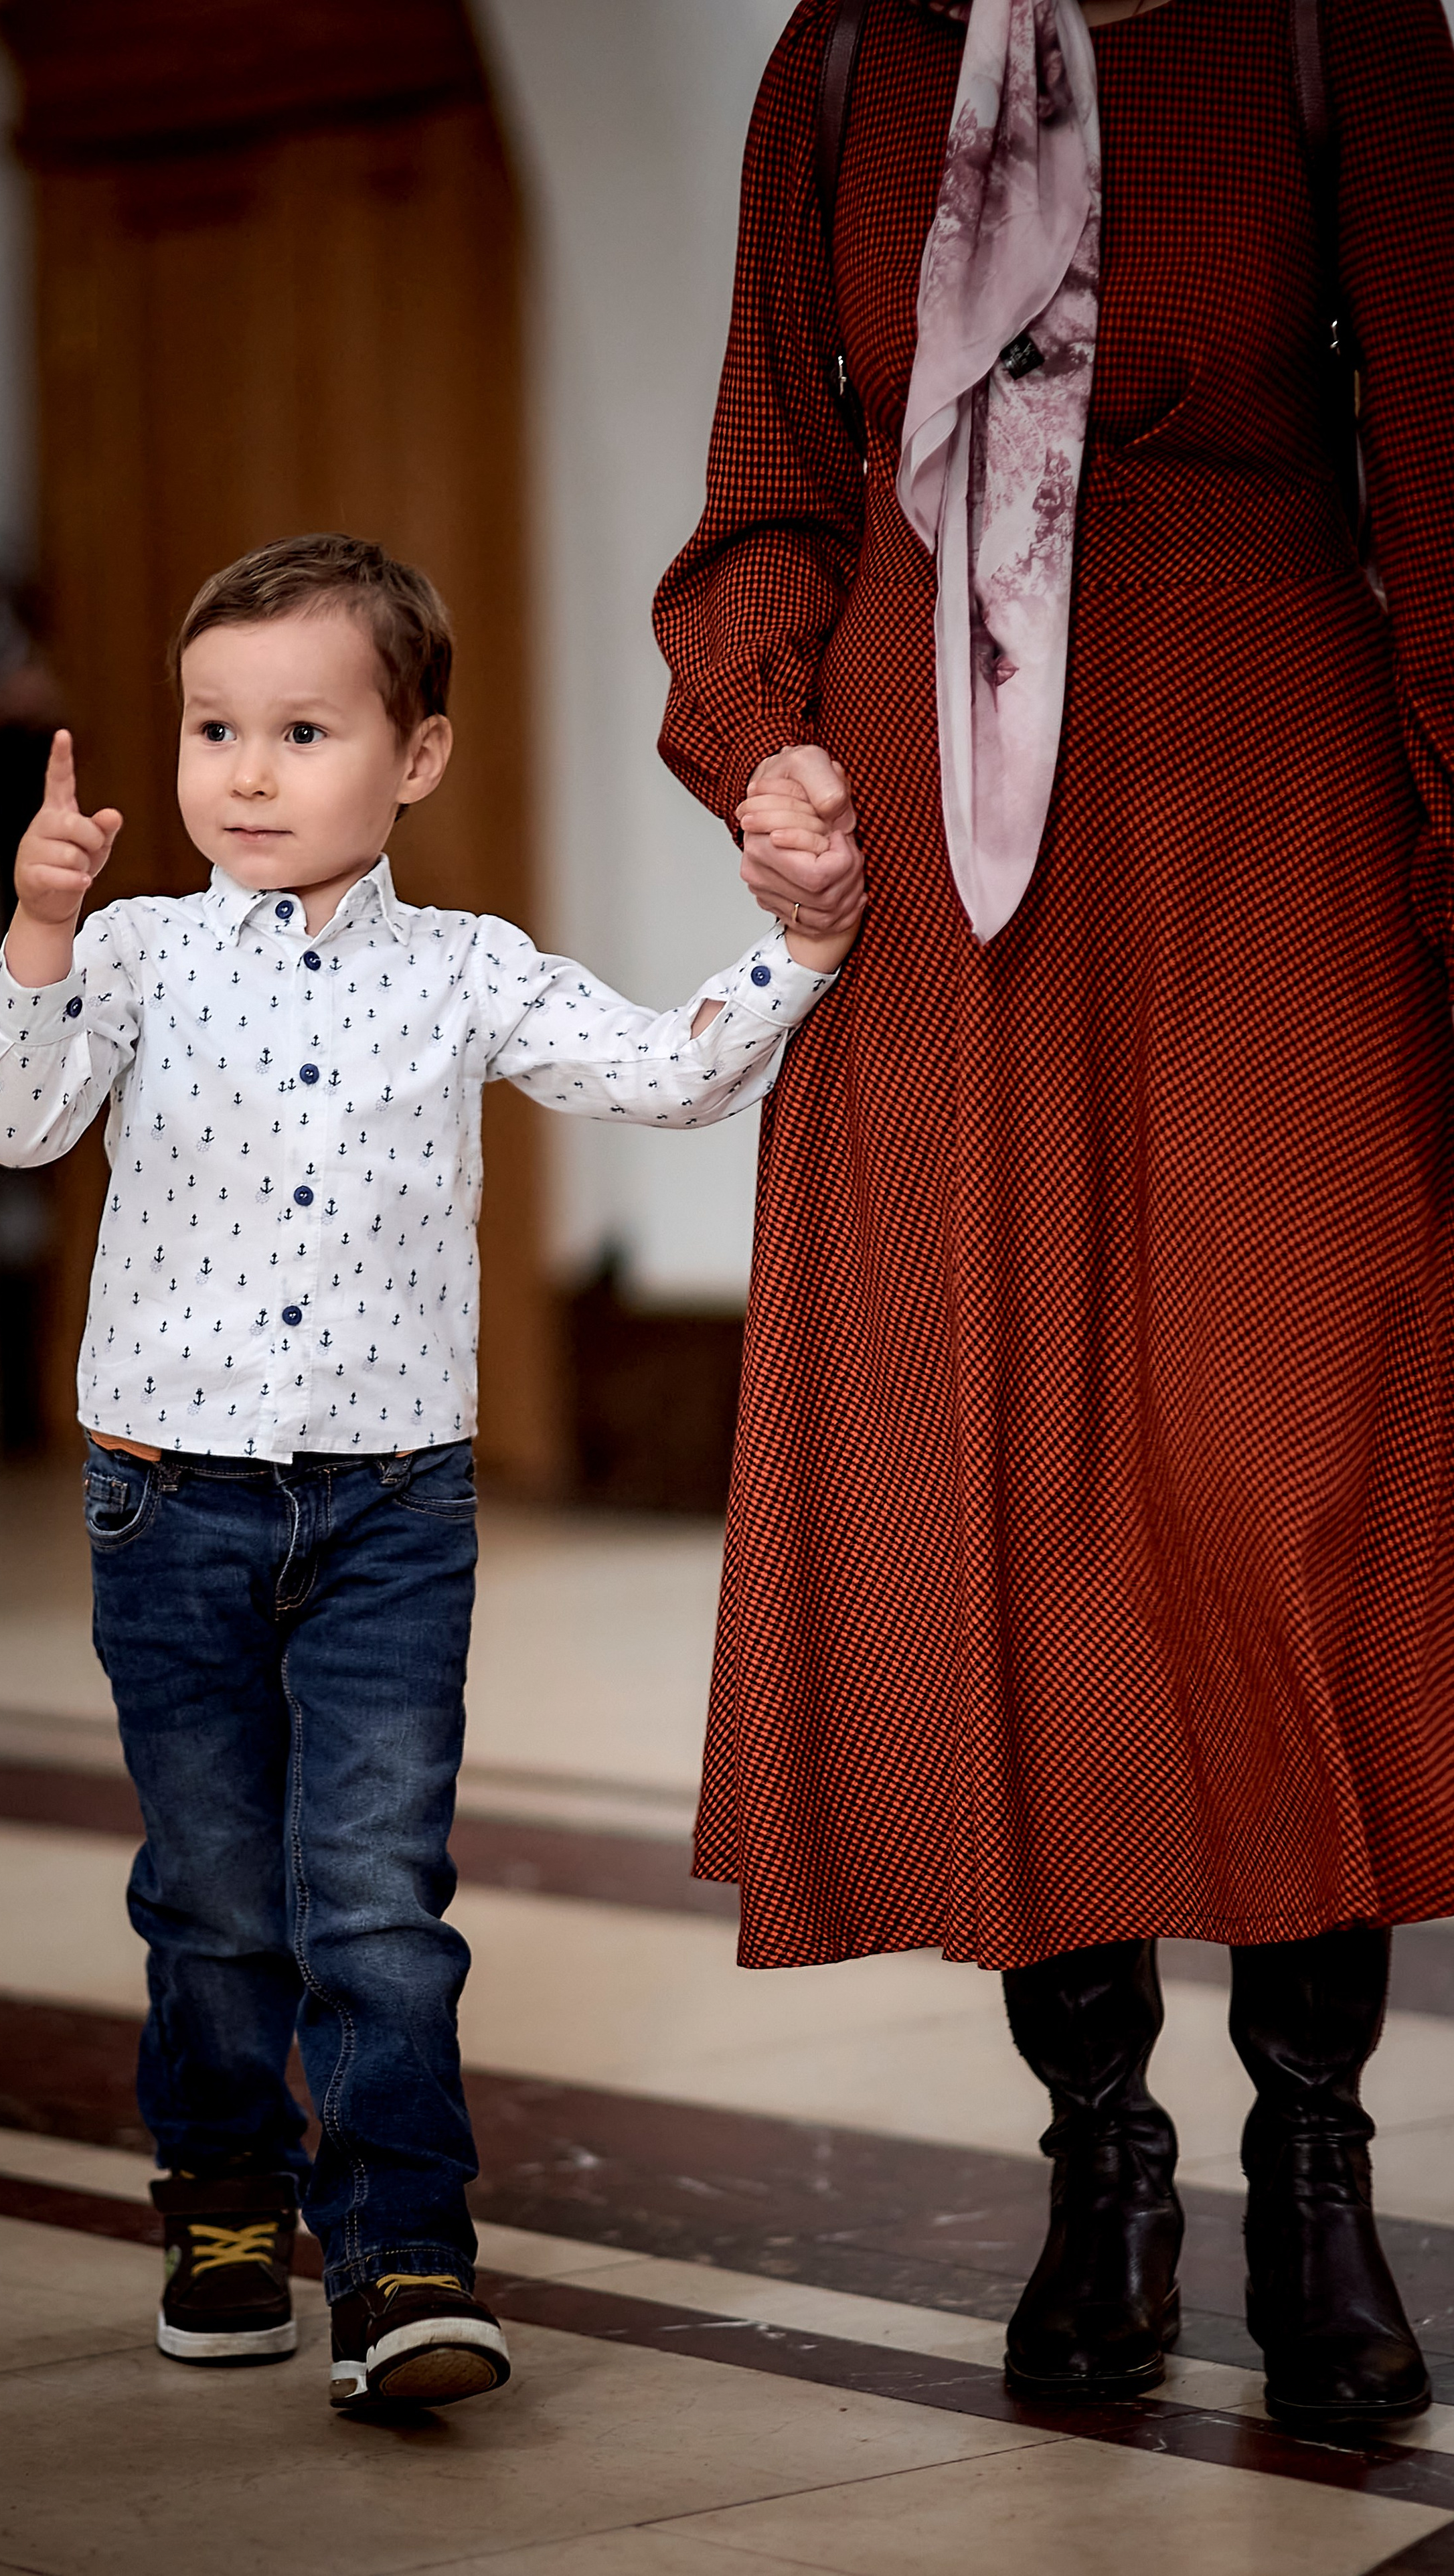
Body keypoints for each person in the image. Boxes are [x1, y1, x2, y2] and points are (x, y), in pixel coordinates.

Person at [652, 0, 1454, 2431]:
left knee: (1293, 1468)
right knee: (1011, 1492)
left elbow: (1446, 490)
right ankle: (1100, 2159)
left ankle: (1316, 2161)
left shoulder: (1342, 37)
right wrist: (761, 742)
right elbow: (771, 491)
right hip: (930, 836)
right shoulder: (850, 57)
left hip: (1262, 788)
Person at [0, 531, 857, 2409]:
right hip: (168, 1493)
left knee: (374, 1891)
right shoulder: (133, 952)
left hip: (391, 1512)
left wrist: (800, 955)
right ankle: (223, 2202)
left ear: (419, 757)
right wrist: (37, 929)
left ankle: (405, 2259)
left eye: (302, 728)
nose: (249, 774)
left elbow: (662, 1073)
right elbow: (17, 1122)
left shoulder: (466, 973)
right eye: (215, 729)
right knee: (214, 1891)